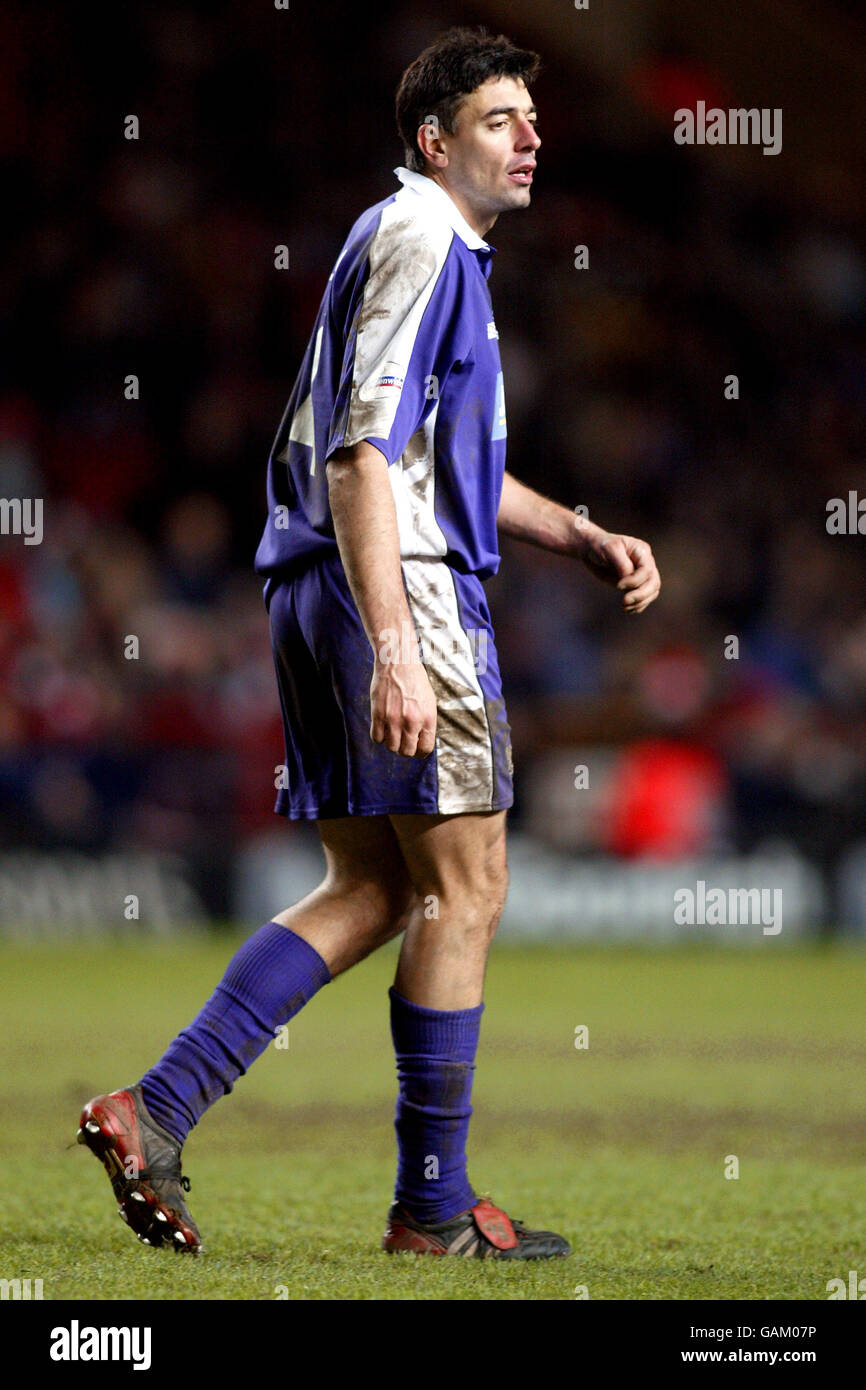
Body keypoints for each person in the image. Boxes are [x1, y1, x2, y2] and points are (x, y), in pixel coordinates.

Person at [78, 25, 660, 1261]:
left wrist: (579, 531)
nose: (530, 134)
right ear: (432, 140)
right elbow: (360, 458)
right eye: (499, 118)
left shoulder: (414, 245)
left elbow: (425, 462)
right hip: (390, 591)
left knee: (380, 885)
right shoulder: (415, 236)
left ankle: (155, 1107)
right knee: (470, 883)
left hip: (320, 584)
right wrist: (397, 647)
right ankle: (432, 1212)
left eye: (530, 118)